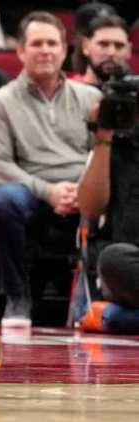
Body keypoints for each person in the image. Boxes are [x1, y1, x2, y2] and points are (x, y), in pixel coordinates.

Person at [0, 11, 101, 328]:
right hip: (31, 194)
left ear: (64, 50)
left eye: (52, 43)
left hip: (85, 188)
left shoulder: (92, 98)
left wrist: (86, 189)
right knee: (2, 200)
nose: (45, 50)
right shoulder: (0, 102)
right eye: (37, 43)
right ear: (20, 50)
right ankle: (17, 298)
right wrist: (49, 192)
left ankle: (106, 298)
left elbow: (104, 156)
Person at [75, 83, 139, 335]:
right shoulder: (114, 145)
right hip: (131, 262)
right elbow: (90, 209)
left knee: (113, 317)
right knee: (114, 258)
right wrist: (102, 137)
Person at [70, 14, 132, 86]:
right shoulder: (68, 91)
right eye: (103, 44)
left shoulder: (135, 91)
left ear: (128, 50)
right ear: (85, 46)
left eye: (119, 46)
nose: (111, 52)